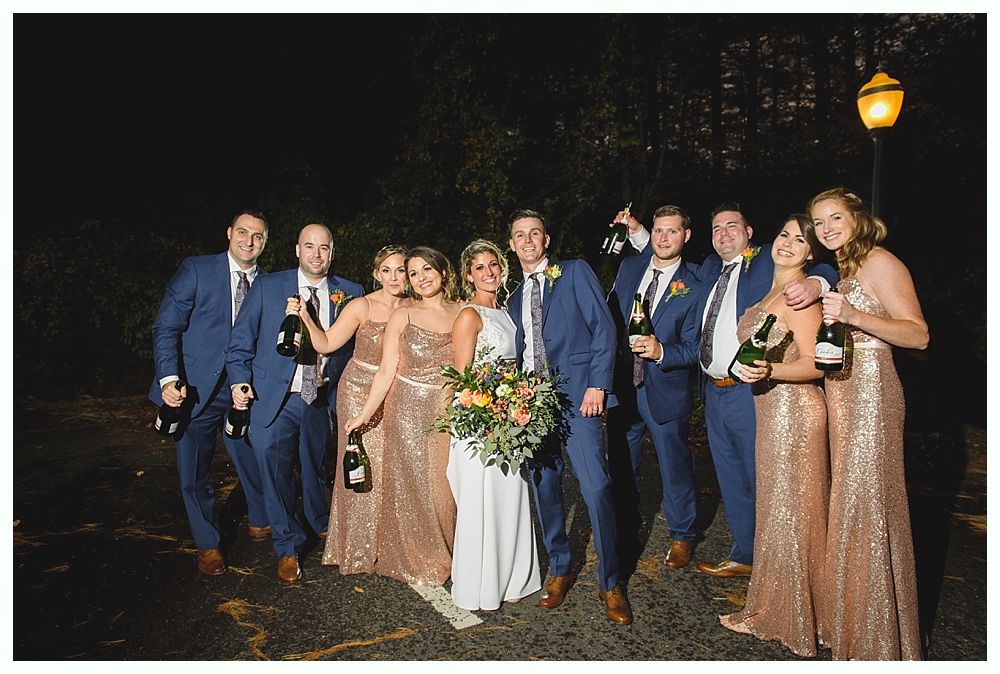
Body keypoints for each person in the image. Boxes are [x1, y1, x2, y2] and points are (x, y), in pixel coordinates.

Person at [626, 202, 837, 578]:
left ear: (750, 232)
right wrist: (639, 230)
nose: (724, 233)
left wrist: (817, 281)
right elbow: (659, 253)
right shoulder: (707, 268)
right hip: (712, 389)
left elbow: (814, 261)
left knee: (762, 478)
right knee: (731, 477)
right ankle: (745, 554)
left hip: (748, 391)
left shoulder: (765, 263)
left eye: (732, 226)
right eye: (717, 228)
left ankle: (782, 568)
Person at [809, 187, 928, 660]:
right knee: (851, 504)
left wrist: (855, 314)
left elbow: (918, 334)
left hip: (873, 391)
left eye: (835, 217)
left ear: (857, 216)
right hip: (842, 389)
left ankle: (880, 639)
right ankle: (854, 622)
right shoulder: (843, 267)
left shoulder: (880, 261)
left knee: (870, 505)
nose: (827, 229)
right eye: (819, 223)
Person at [506, 208, 631, 625]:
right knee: (544, 488)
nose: (527, 240)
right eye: (519, 235)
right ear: (512, 244)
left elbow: (604, 328)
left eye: (534, 233)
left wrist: (598, 384)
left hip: (580, 398)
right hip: (533, 401)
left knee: (596, 487)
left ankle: (611, 580)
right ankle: (559, 567)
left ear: (546, 239)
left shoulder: (574, 271)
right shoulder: (513, 297)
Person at [227, 223, 365, 583]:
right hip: (274, 398)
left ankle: (319, 520)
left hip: (320, 397)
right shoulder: (269, 286)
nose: (316, 254)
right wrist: (240, 381)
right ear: (297, 250)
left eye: (324, 248)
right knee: (275, 473)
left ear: (332, 253)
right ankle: (288, 547)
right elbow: (241, 340)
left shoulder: (350, 293)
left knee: (316, 465)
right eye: (309, 246)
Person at [717, 214, 828, 657]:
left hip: (795, 415)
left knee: (793, 515)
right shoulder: (771, 288)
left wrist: (770, 369)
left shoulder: (801, 296)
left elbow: (818, 363)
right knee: (779, 513)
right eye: (783, 234)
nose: (787, 243)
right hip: (772, 411)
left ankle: (798, 617)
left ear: (811, 253)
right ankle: (776, 607)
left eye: (800, 240)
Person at [148, 210, 270, 577]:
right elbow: (166, 327)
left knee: (253, 454)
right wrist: (169, 379)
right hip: (195, 389)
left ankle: (261, 515)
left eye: (258, 236)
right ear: (229, 233)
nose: (249, 241)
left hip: (242, 389)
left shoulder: (270, 283)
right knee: (194, 470)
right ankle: (208, 544)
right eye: (243, 232)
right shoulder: (197, 270)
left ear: (265, 242)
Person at [287, 245, 410, 575]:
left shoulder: (415, 306)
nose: (394, 277)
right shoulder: (361, 305)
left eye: (400, 269)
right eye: (387, 270)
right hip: (358, 391)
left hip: (396, 392)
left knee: (391, 468)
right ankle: (357, 545)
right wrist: (305, 319)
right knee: (360, 468)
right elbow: (326, 343)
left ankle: (389, 545)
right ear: (376, 274)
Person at [344, 246, 462, 585]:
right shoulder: (404, 315)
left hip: (448, 410)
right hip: (407, 409)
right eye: (413, 274)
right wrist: (364, 415)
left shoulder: (462, 311)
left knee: (444, 487)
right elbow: (385, 371)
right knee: (413, 487)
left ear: (443, 270)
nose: (421, 278)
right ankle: (422, 557)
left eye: (427, 270)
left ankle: (454, 551)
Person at [606, 205, 704, 574]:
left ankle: (683, 533)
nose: (664, 238)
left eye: (672, 232)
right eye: (658, 231)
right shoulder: (631, 268)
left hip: (664, 388)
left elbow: (696, 348)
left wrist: (661, 350)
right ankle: (627, 527)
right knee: (622, 464)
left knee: (674, 466)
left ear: (686, 236)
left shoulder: (694, 286)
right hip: (623, 387)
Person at [446, 239, 542, 611]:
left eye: (493, 265)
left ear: (502, 268)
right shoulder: (470, 316)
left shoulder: (506, 311)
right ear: (468, 275)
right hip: (479, 418)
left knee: (510, 497)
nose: (488, 273)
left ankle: (513, 577)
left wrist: (516, 400)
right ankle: (480, 585)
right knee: (481, 501)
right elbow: (461, 375)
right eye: (479, 268)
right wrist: (482, 412)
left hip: (509, 413)